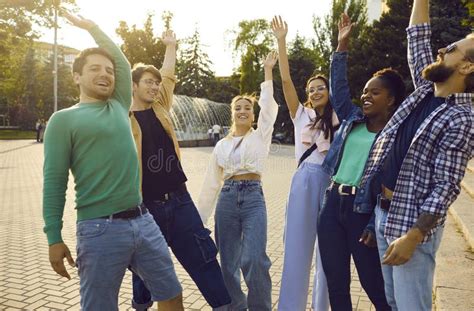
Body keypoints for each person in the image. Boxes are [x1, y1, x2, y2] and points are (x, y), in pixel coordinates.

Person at [42, 11, 182, 310]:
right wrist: (54, 238)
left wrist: (92, 27)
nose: (105, 73)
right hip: (98, 229)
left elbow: (120, 60)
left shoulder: (119, 105)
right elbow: (54, 183)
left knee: (171, 293)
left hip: (144, 221)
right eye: (95, 69)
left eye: (108, 70)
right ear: (77, 76)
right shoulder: (63, 120)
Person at [359, 1, 474, 310]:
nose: (440, 51)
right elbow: (417, 36)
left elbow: (447, 185)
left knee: (411, 306)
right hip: (384, 212)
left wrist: (414, 235)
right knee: (395, 303)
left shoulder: (462, 118)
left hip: (411, 224)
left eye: (450, 49)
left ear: (466, 67)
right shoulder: (427, 89)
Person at [128, 28, 231, 311]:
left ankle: (225, 307)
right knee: (144, 267)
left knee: (204, 257)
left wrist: (171, 46)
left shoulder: (160, 107)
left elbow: (169, 76)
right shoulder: (121, 117)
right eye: (148, 82)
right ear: (133, 85)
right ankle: (141, 306)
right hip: (146, 206)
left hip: (179, 199)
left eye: (156, 83)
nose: (154, 87)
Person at [317, 13, 406, 311]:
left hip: (363, 212)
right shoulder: (353, 119)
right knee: (336, 283)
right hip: (332, 205)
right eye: (365, 91)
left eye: (374, 92)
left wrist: (371, 223)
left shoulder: (395, 136)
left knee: (374, 285)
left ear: (391, 99)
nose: (366, 96)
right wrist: (342, 46)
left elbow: (390, 184)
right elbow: (339, 89)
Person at [198, 51, 279, 311]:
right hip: (227, 198)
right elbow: (211, 183)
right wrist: (199, 221)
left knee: (254, 259)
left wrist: (268, 71)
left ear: (253, 115)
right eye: (238, 108)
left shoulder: (261, 136)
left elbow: (269, 107)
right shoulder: (222, 145)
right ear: (232, 114)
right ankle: (236, 306)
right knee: (227, 263)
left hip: (254, 197)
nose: (243, 111)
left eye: (247, 108)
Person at [271, 15, 338, 311]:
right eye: (310, 89)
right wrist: (282, 41)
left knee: (328, 255)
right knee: (297, 249)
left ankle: (321, 306)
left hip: (332, 183)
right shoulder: (302, 115)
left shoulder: (341, 119)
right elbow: (285, 81)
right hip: (304, 179)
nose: (314, 92)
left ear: (330, 90)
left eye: (320, 87)